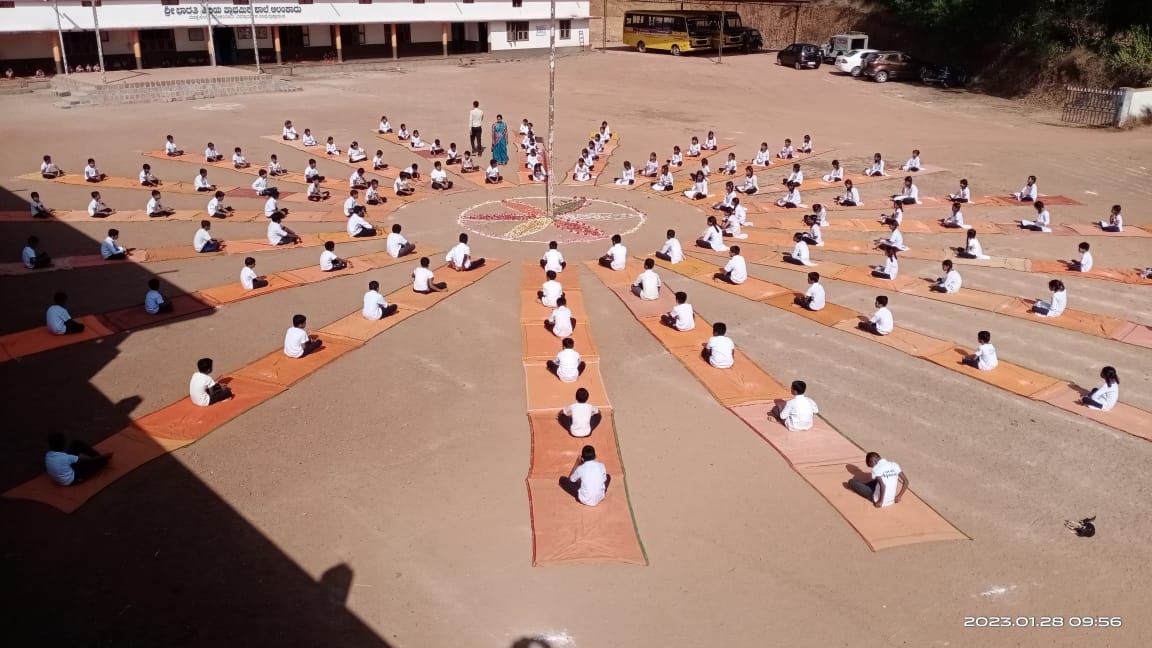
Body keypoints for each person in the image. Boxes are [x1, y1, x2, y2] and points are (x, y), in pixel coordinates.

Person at [44, 433, 111, 486]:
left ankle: (99, 457)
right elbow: (87, 460)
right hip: (73, 479)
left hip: (63, 474)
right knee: (99, 462)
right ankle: (102, 459)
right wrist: (102, 457)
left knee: (75, 443)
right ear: (62, 444)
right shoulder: (65, 457)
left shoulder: (48, 455)